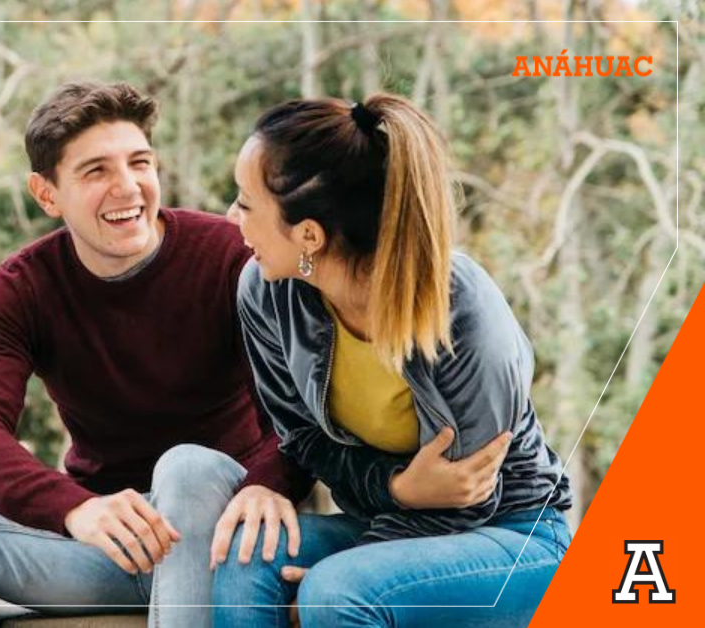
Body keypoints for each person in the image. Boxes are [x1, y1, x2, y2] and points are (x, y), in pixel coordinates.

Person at [0, 81, 311, 628]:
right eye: (96, 172)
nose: (128, 188)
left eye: (139, 163)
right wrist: (75, 506)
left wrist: (266, 483)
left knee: (184, 467)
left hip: (221, 528)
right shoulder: (22, 288)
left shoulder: (235, 257)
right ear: (47, 195)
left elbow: (304, 414)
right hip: (111, 543)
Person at [210, 93, 573, 627]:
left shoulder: (460, 306)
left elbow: (470, 492)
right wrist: (396, 490)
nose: (230, 217)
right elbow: (305, 443)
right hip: (394, 522)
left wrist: (357, 565)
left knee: (337, 593)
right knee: (249, 555)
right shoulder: (267, 293)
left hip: (514, 534)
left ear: (308, 234)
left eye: (245, 203)